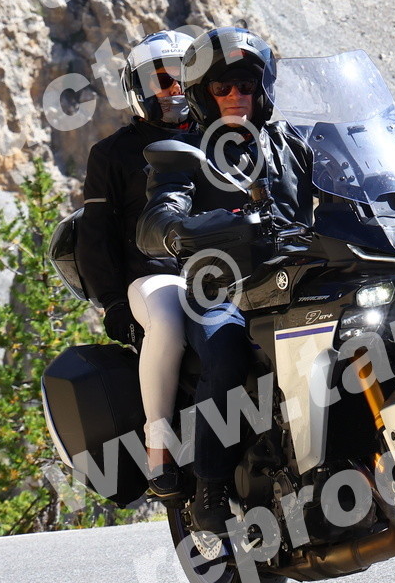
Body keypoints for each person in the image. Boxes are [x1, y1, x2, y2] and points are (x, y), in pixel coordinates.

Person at [137, 27, 315, 534]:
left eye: (246, 85)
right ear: (202, 94)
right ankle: (210, 484)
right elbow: (157, 217)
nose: (236, 95)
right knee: (225, 349)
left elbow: (346, 185)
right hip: (223, 291)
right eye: (222, 87)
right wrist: (180, 228)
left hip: (301, 276)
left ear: (263, 90)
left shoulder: (294, 143)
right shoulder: (185, 152)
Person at [77, 29, 197, 502]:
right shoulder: (112, 154)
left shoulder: (222, 137)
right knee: (167, 321)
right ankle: (159, 444)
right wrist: (112, 303)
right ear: (138, 89)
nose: (173, 89)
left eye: (182, 78)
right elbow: (95, 236)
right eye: (161, 80)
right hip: (154, 277)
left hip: (226, 273)